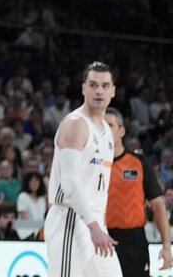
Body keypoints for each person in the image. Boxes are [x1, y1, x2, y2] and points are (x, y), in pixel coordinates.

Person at [45, 62, 123, 277]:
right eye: (93, 85)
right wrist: (93, 226)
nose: (99, 91)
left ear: (113, 91)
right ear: (83, 88)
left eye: (105, 86)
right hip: (70, 218)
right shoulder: (76, 124)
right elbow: (69, 182)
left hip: (95, 222)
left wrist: (99, 224)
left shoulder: (106, 130)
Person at [104, 109, 172, 277]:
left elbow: (157, 205)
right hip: (102, 240)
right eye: (101, 125)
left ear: (121, 131)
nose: (104, 129)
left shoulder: (138, 163)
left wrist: (166, 245)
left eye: (110, 125)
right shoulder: (92, 164)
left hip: (134, 241)